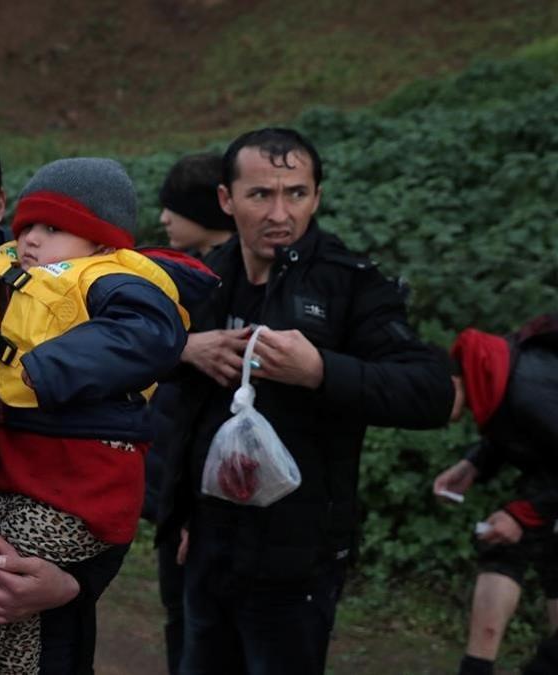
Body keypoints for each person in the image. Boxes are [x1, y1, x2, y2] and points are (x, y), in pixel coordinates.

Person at [174, 127, 453, 674]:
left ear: (317, 196)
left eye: (296, 193)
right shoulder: (205, 277)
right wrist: (184, 349)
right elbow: (174, 404)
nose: (281, 212)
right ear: (227, 200)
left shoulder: (350, 283)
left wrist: (321, 371)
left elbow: (431, 393)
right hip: (207, 546)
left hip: (297, 559)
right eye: (261, 195)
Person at [0, 157, 187, 673]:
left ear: (98, 244)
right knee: (18, 612)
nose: (30, 240)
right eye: (26, 227)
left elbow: (153, 332)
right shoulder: (23, 275)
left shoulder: (109, 280)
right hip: (33, 477)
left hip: (78, 482)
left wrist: (50, 367)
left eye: (52, 228)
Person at [142, 150, 235, 675]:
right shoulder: (188, 275)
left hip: (196, 497)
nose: (164, 220)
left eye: (173, 207)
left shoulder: (210, 286)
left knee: (192, 623)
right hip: (176, 491)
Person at [432, 314, 558, 675]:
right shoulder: (494, 373)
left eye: (429, 399)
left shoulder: (525, 388)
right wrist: (473, 465)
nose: (431, 417)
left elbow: (532, 412)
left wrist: (523, 513)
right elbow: (526, 429)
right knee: (504, 542)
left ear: (454, 381)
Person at [158, 152, 235, 256]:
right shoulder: (188, 265)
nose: (163, 219)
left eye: (173, 209)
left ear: (203, 211)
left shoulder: (241, 268)